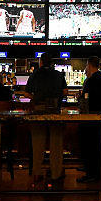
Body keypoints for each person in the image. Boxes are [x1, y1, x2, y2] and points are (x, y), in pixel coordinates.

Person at [23, 53, 68, 186]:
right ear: (52, 63)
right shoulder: (59, 75)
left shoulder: (35, 74)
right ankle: (56, 174)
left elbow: (26, 93)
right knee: (56, 145)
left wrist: (36, 98)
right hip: (55, 111)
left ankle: (37, 174)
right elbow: (65, 92)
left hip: (39, 111)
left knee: (38, 145)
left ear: (41, 62)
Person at [78, 57, 101, 183]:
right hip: (100, 117)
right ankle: (93, 171)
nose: (85, 70)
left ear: (89, 65)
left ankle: (91, 173)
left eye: (86, 66)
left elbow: (87, 100)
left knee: (90, 146)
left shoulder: (91, 80)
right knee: (96, 146)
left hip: (90, 118)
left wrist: (80, 99)